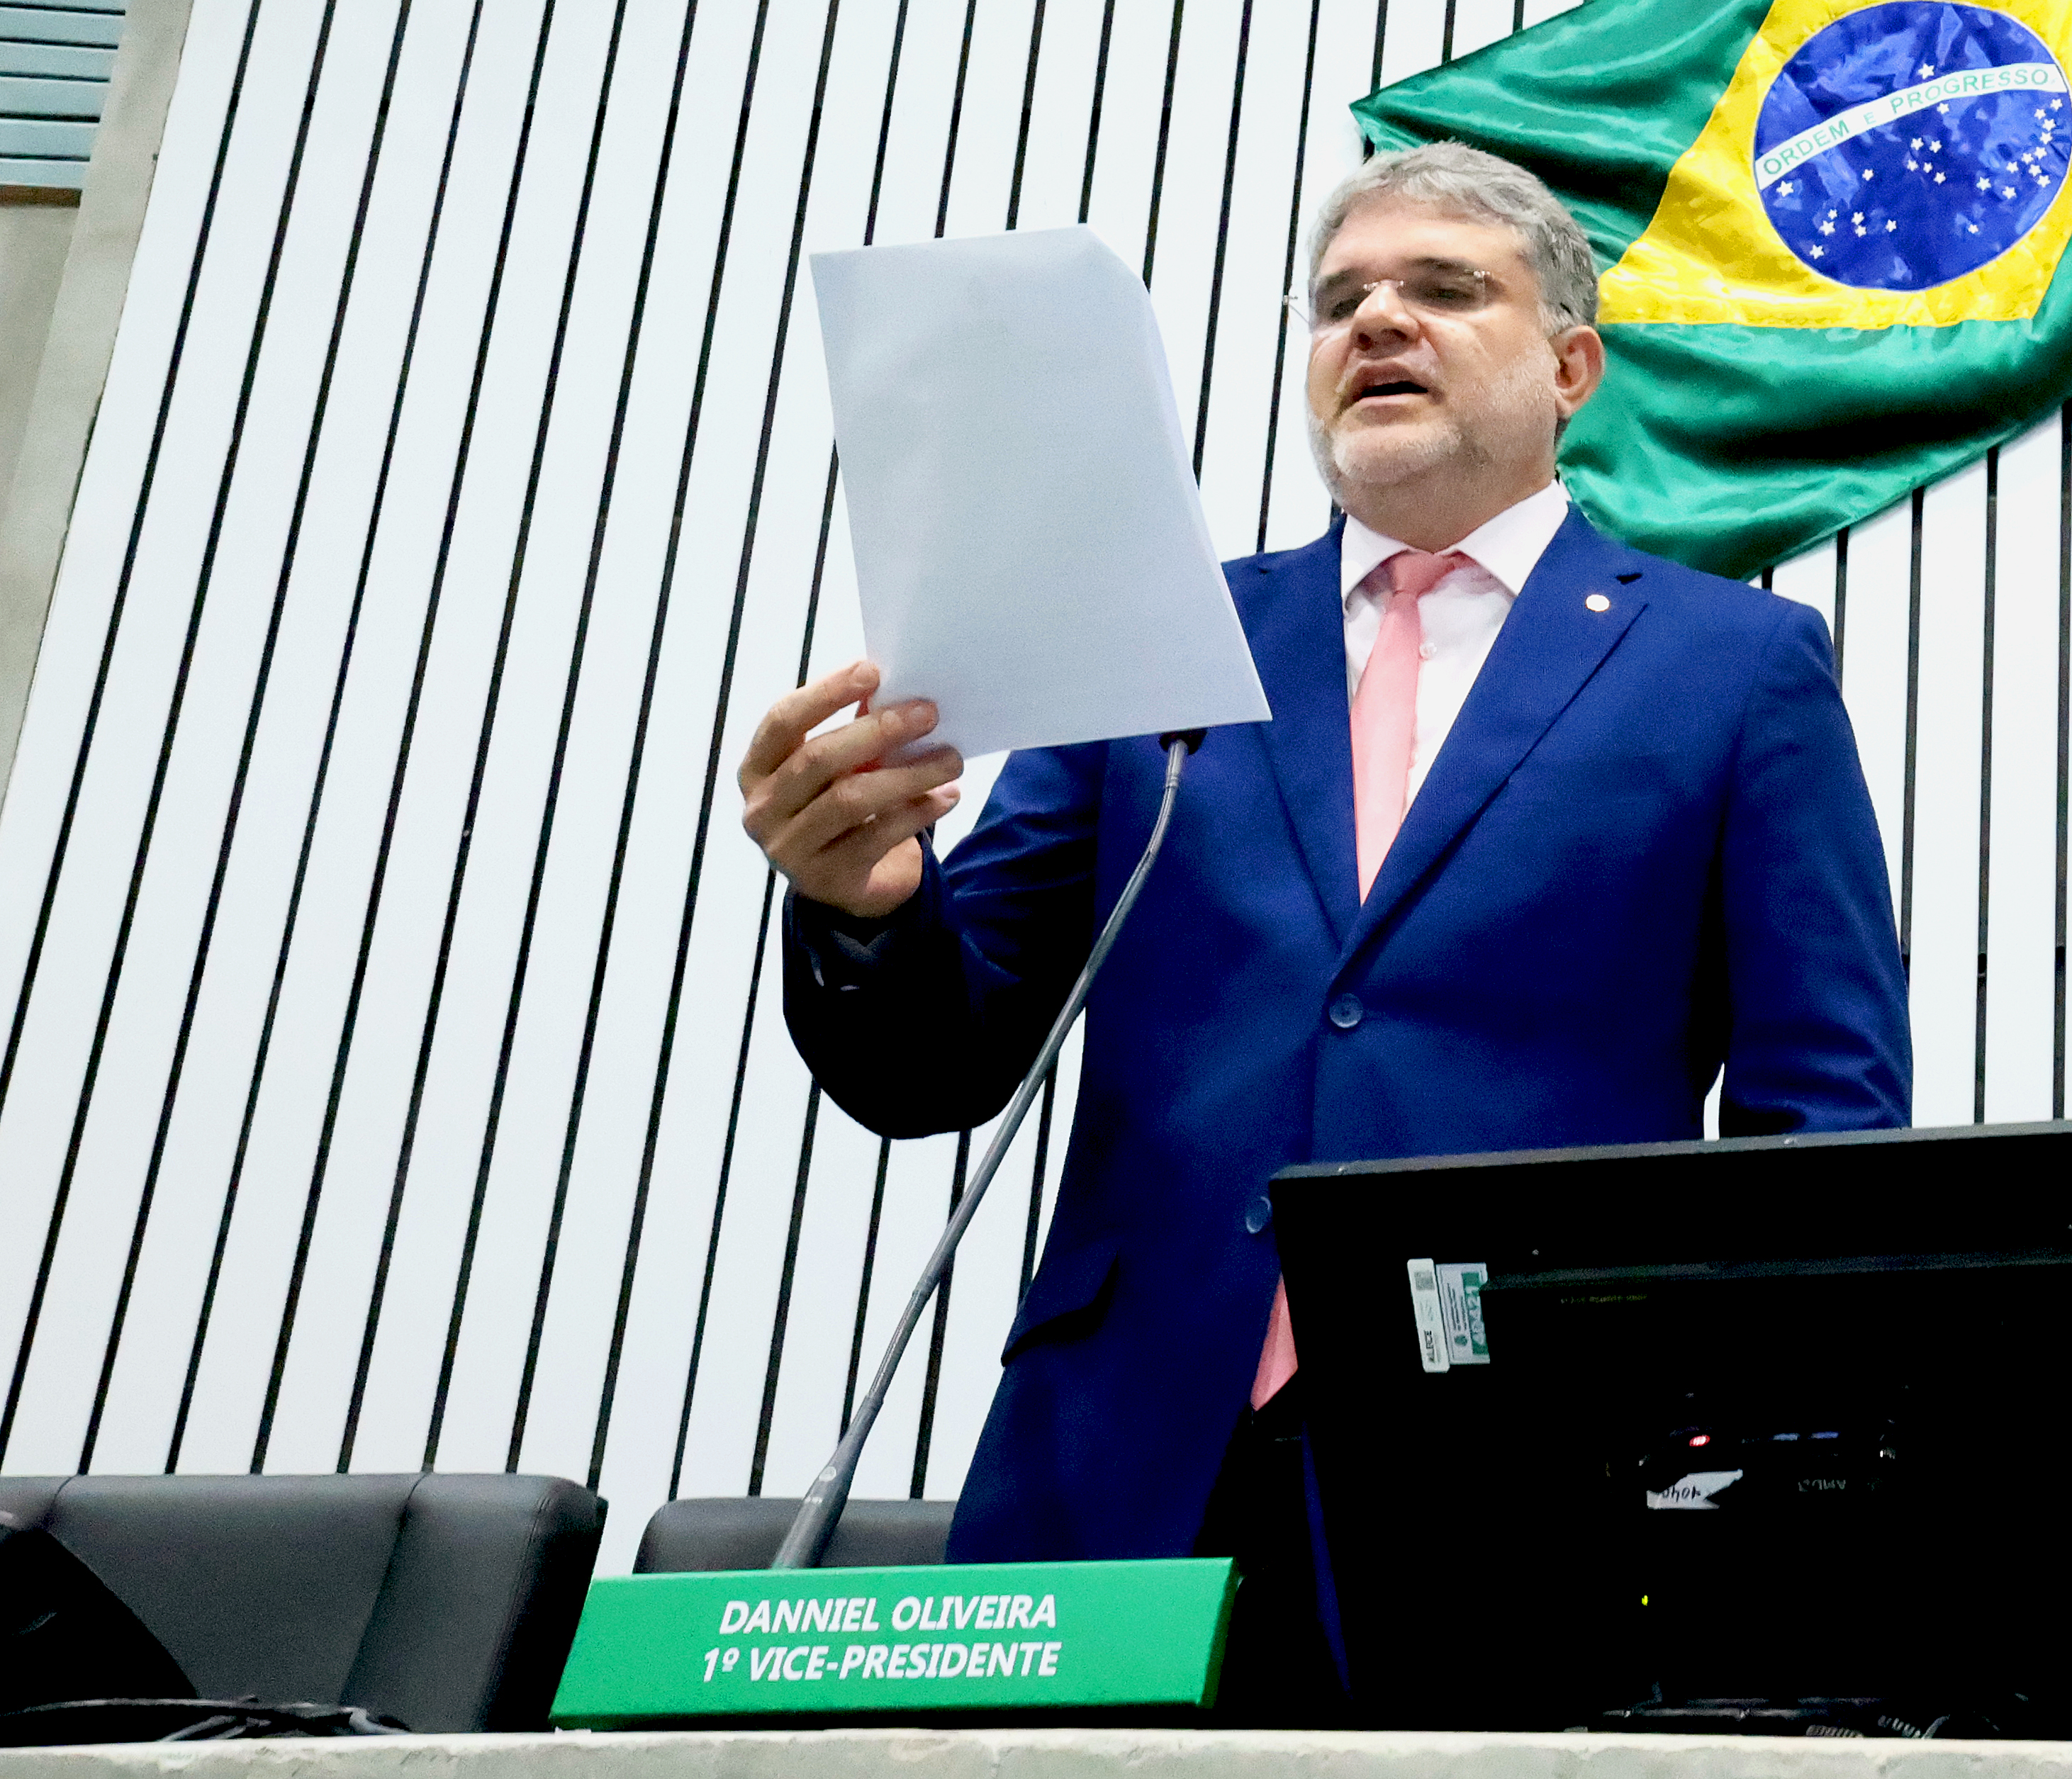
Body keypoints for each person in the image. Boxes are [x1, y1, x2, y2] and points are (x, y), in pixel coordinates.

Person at [736, 140, 1912, 1698]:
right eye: (1341, 298)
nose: (1377, 323)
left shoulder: (1735, 664)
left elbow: (1820, 1119)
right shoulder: (1158, 633)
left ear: (1572, 365)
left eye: (1443, 289)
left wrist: (1733, 1463)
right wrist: (861, 907)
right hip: (1131, 1465)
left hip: (1539, 1474)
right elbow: (938, 1061)